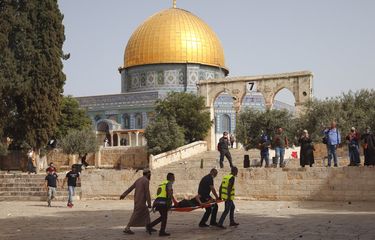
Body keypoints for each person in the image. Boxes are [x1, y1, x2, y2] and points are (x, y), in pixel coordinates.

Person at [120, 169, 155, 235]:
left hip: (137, 199)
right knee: (136, 214)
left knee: (146, 213)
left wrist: (124, 194)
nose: (150, 175)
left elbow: (131, 188)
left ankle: (148, 227)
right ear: (148, 174)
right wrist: (149, 203)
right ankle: (127, 228)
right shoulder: (146, 181)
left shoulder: (139, 180)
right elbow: (147, 193)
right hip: (141, 201)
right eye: (150, 174)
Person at [147, 173, 177, 237]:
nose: (174, 179)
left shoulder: (162, 183)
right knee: (164, 217)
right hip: (163, 202)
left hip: (157, 202)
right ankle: (162, 232)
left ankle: (149, 226)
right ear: (171, 178)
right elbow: (169, 193)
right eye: (174, 177)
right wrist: (171, 203)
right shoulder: (169, 183)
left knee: (162, 217)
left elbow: (159, 193)